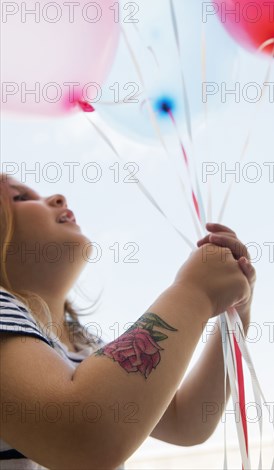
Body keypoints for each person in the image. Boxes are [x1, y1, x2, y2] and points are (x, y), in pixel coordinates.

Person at [0, 173, 256, 470]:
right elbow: (82, 436)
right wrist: (194, 293)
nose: (57, 197)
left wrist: (235, 311)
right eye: (21, 197)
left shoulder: (86, 345)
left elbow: (188, 420)